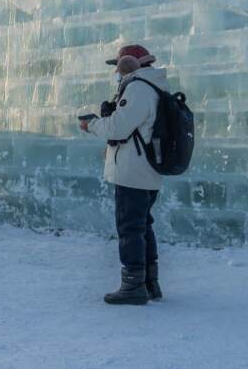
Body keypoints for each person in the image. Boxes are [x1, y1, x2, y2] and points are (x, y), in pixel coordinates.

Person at [79, 44, 167, 305]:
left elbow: (119, 128)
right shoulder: (153, 85)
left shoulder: (138, 88)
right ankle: (149, 283)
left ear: (130, 64)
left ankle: (133, 286)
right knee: (142, 225)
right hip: (146, 168)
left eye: (117, 66)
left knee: (129, 227)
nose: (115, 72)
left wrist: (92, 125)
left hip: (133, 170)